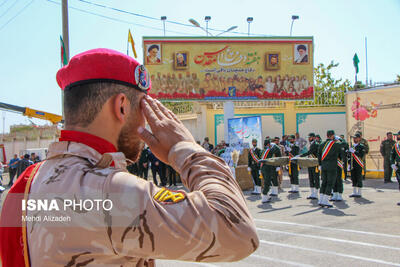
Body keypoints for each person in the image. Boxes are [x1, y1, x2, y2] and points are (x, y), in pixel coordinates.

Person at [0, 48, 258, 266]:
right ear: (122, 106)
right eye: (143, 108)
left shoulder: (26, 182)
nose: (146, 120)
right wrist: (186, 150)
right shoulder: (107, 191)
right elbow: (238, 233)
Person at [318, 130, 342, 208]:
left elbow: (319, 155)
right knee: (330, 183)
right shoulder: (335, 144)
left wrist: (320, 164)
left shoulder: (321, 144)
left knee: (324, 183)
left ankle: (321, 200)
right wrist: (339, 139)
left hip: (323, 166)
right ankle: (325, 201)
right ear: (333, 136)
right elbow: (344, 145)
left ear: (327, 135)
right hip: (332, 167)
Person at [260, 138, 281, 203]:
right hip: (267, 169)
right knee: (267, 183)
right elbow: (277, 150)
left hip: (263, 168)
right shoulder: (269, 150)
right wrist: (275, 145)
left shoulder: (262, 150)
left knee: (266, 182)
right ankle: (264, 197)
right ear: (269, 144)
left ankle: (266, 196)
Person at [299, 133, 320, 200]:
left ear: (313, 137)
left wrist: (301, 155)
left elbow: (310, 152)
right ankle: (312, 193)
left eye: (310, 137)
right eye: (308, 137)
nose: (308, 139)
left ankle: (316, 194)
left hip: (315, 163)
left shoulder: (315, 144)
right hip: (310, 163)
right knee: (311, 178)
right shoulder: (311, 144)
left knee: (315, 178)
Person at [348, 133, 366, 198]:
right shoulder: (352, 146)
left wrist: (354, 151)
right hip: (353, 165)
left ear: (359, 138)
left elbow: (361, 155)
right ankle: (354, 191)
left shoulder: (362, 146)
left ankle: (359, 192)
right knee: (353, 178)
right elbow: (349, 156)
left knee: (359, 178)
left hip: (358, 164)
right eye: (354, 138)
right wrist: (349, 164)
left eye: (356, 138)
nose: (354, 139)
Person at [331, 136, 346, 202]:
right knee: (333, 180)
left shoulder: (341, 147)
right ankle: (334, 194)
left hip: (338, 165)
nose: (334, 141)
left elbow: (342, 155)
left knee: (339, 180)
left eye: (335, 140)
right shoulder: (331, 147)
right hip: (333, 165)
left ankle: (340, 194)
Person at [390, 131, 400, 205]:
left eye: (398, 135)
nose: (397, 137)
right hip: (398, 166)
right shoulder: (395, 145)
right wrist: (392, 163)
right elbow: (392, 155)